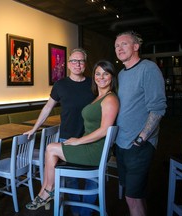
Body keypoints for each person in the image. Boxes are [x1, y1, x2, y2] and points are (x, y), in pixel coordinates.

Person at [25, 59, 119, 215]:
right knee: (51, 150)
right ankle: (48, 192)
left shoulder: (110, 98)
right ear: (68, 64)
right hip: (90, 145)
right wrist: (35, 128)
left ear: (112, 77)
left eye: (106, 74)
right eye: (98, 73)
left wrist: (78, 141)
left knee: (51, 149)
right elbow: (48, 106)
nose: (101, 77)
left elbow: (104, 130)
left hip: (94, 149)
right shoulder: (98, 95)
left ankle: (48, 192)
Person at [114, 31, 167, 216]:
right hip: (121, 143)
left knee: (132, 198)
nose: (119, 48)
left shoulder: (148, 68)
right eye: (116, 46)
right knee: (136, 195)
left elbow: (158, 108)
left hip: (138, 145)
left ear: (136, 46)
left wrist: (141, 139)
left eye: (124, 44)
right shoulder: (121, 73)